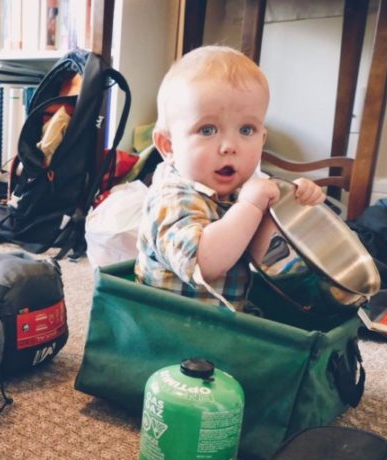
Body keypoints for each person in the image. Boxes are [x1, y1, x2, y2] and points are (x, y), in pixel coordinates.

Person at [135, 45, 325, 310]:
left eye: (247, 129)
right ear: (168, 145)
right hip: (169, 327)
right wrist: (251, 206)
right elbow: (205, 263)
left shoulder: (241, 186)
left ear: (262, 138)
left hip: (222, 319)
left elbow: (263, 252)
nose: (229, 146)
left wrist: (291, 203)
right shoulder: (172, 196)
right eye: (208, 129)